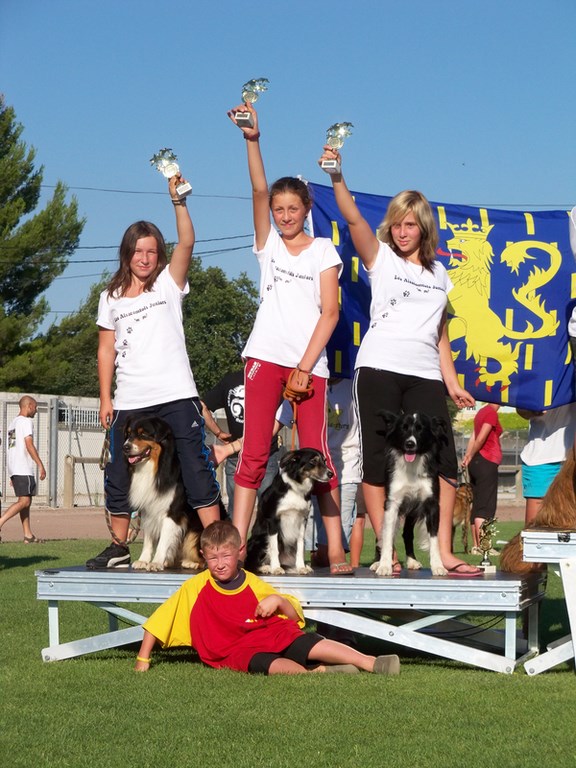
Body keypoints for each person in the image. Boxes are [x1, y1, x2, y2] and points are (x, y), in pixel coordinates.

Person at [319, 143, 481, 576]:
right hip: (379, 370)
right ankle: (386, 548)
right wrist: (337, 176)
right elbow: (352, 217)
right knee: (377, 459)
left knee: (444, 459)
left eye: (411, 225)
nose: (404, 231)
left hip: (425, 373)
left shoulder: (439, 274)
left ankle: (442, 552)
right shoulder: (382, 258)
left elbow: (440, 333)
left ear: (424, 228)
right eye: (397, 224)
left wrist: (452, 382)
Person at [226, 101, 352, 574]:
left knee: (319, 454)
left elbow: (331, 311)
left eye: (291, 208)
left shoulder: (323, 249)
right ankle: (237, 549)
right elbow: (258, 189)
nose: (283, 215)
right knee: (255, 451)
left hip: (309, 364)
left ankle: (334, 550)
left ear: (306, 209)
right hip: (264, 356)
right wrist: (252, 140)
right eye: (278, 209)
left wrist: (304, 366)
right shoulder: (269, 246)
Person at [86, 174, 221, 569]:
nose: (144, 258)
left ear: (159, 255)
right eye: (137, 251)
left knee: (196, 469)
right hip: (131, 399)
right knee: (118, 473)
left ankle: (216, 545)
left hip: (176, 394)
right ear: (126, 254)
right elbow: (106, 348)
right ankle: (119, 546)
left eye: (151, 251)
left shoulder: (167, 283)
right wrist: (106, 397)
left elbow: (189, 242)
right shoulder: (109, 297)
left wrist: (179, 203)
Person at [134, 521, 400, 675]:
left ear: (239, 552)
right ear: (204, 556)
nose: (220, 564)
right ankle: (318, 672)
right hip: (231, 649)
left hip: (266, 631)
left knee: (302, 641)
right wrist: (143, 659)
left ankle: (371, 662)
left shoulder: (252, 583)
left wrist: (279, 602)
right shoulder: (196, 587)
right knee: (269, 664)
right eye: (213, 558)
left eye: (226, 556)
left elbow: (295, 619)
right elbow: (159, 621)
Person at [201, 369, 290, 517]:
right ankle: (266, 540)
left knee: (236, 511)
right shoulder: (272, 380)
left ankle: (235, 540)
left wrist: (218, 432)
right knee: (268, 510)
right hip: (265, 452)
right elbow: (284, 412)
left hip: (236, 453)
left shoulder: (230, 380)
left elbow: (202, 406)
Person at [309, 378, 363, 567]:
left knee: (333, 547)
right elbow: (281, 417)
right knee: (317, 551)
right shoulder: (310, 382)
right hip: (315, 475)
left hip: (347, 472)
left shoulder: (355, 387)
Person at [516, 404, 576, 525]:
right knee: (535, 531)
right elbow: (521, 409)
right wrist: (531, 410)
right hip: (541, 458)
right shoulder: (534, 384)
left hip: (572, 460)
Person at [0, 396, 46, 543]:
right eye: (35, 407)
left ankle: (28, 534)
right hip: (23, 468)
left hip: (15, 468)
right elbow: (29, 445)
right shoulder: (26, 422)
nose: (36, 410)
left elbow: (11, 448)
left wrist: (11, 472)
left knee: (26, 501)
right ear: (29, 406)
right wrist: (40, 464)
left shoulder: (13, 423)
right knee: (24, 502)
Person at [462, 403, 502, 553]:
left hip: (476, 463)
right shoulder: (491, 413)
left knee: (478, 504)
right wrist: (470, 455)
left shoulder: (480, 412)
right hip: (486, 460)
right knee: (485, 506)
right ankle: (485, 546)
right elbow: (480, 438)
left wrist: (468, 456)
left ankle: (476, 546)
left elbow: (473, 437)